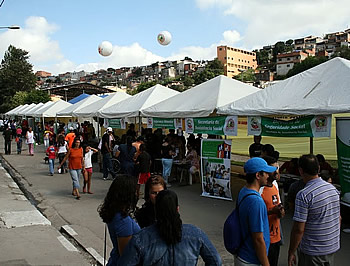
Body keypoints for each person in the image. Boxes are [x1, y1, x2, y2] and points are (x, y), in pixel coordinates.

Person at [119, 190, 222, 265]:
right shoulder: (196, 234)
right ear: (177, 209)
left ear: (156, 210)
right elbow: (216, 261)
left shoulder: (141, 239)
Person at [288, 154, 340, 266]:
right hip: (331, 247)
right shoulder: (333, 189)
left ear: (301, 171)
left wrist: (291, 251)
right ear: (319, 168)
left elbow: (299, 229)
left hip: (312, 252)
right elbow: (338, 218)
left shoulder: (304, 195)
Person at [235, 157, 277, 266]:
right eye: (266, 173)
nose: (268, 175)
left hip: (243, 253)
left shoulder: (244, 191)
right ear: (258, 175)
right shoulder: (256, 202)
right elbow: (258, 239)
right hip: (251, 259)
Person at [98, 175, 140, 266]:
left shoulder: (115, 212)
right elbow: (125, 255)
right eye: (135, 191)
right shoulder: (123, 221)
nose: (137, 193)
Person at [259, 156, 285, 266]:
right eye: (274, 169)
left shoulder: (275, 185)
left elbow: (277, 204)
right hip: (264, 238)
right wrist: (271, 212)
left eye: (277, 168)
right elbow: (256, 214)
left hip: (276, 236)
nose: (277, 171)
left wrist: (280, 211)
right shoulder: (259, 189)